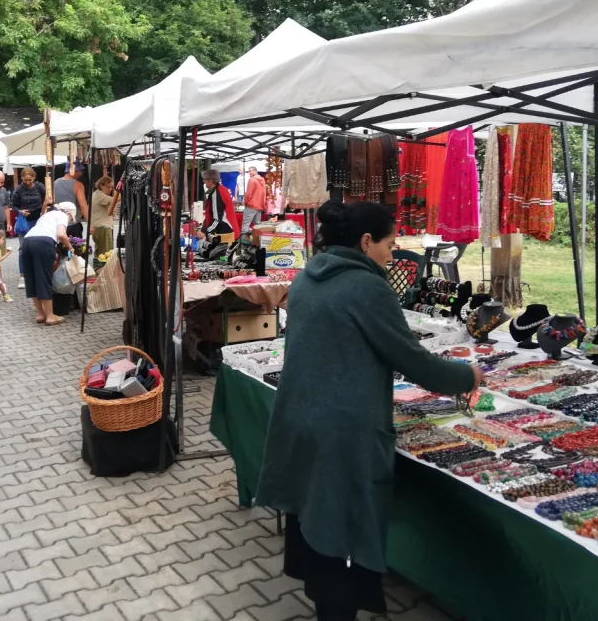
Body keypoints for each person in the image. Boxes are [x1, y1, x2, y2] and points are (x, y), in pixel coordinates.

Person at [253, 200, 481, 621]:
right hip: (341, 429)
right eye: (390, 245)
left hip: (301, 416)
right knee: (341, 527)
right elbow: (414, 361)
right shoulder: (368, 288)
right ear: (365, 241)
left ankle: (327, 606)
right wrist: (467, 376)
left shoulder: (307, 276)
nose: (393, 255)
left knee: (315, 514)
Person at [22, 201, 75, 325]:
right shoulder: (62, 215)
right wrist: (70, 247)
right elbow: (61, 234)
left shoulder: (46, 215)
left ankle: (40, 314)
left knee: (31, 278)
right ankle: (50, 316)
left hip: (27, 241)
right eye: (71, 218)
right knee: (44, 278)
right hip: (43, 242)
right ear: (68, 213)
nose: (70, 220)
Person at [11, 167, 45, 290]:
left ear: (34, 178)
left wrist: (43, 211)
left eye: (30, 180)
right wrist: (20, 211)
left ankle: (37, 274)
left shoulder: (40, 187)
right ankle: (23, 276)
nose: (27, 182)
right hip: (24, 222)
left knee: (38, 248)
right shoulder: (19, 189)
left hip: (38, 221)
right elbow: (13, 205)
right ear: (22, 179)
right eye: (25, 180)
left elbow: (46, 200)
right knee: (23, 249)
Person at [196, 168, 240, 240]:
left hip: (226, 230)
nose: (204, 182)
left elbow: (217, 220)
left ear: (210, 181)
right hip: (227, 228)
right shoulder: (221, 189)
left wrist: (205, 231)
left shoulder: (216, 194)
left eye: (204, 180)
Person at [53, 162, 88, 237]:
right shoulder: (78, 185)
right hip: (72, 224)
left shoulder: (54, 183)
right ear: (73, 170)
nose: (81, 174)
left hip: (57, 224)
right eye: (80, 171)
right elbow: (83, 205)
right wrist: (89, 223)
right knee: (75, 244)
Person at [91, 176, 116, 256]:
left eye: (112, 187)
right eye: (108, 187)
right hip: (102, 228)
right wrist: (119, 193)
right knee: (105, 255)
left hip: (102, 228)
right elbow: (114, 200)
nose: (110, 189)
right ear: (101, 186)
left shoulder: (98, 194)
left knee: (102, 254)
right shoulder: (99, 195)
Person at [242, 166, 265, 238]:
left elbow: (249, 193)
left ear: (255, 171)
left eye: (250, 171)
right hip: (259, 205)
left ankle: (243, 241)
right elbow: (264, 193)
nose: (249, 173)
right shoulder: (262, 180)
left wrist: (245, 201)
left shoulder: (252, 180)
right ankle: (257, 241)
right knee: (257, 225)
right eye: (248, 171)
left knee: (246, 224)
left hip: (251, 205)